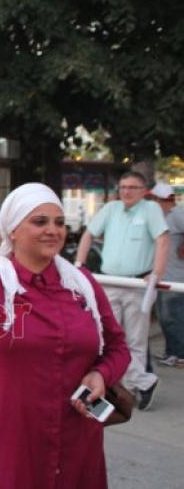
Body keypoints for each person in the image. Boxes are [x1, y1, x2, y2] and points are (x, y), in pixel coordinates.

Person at [0, 162, 130, 489]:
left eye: (59, 222)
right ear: (13, 229)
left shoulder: (82, 284)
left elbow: (117, 347)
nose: (53, 230)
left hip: (77, 438)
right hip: (10, 445)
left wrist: (101, 374)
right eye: (39, 222)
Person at [75, 171, 168, 410]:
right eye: (123, 187)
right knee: (106, 337)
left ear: (144, 190)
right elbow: (88, 234)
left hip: (137, 284)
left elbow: (162, 241)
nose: (126, 191)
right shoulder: (111, 208)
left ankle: (131, 386)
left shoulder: (151, 210)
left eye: (132, 187)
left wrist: (156, 273)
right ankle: (141, 382)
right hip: (110, 282)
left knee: (135, 340)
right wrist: (79, 265)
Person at [150, 182, 184, 367]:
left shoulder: (177, 215)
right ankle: (172, 352)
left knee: (174, 317)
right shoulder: (161, 216)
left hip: (176, 277)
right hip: (164, 275)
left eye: (154, 199)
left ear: (160, 199)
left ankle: (179, 355)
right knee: (166, 317)